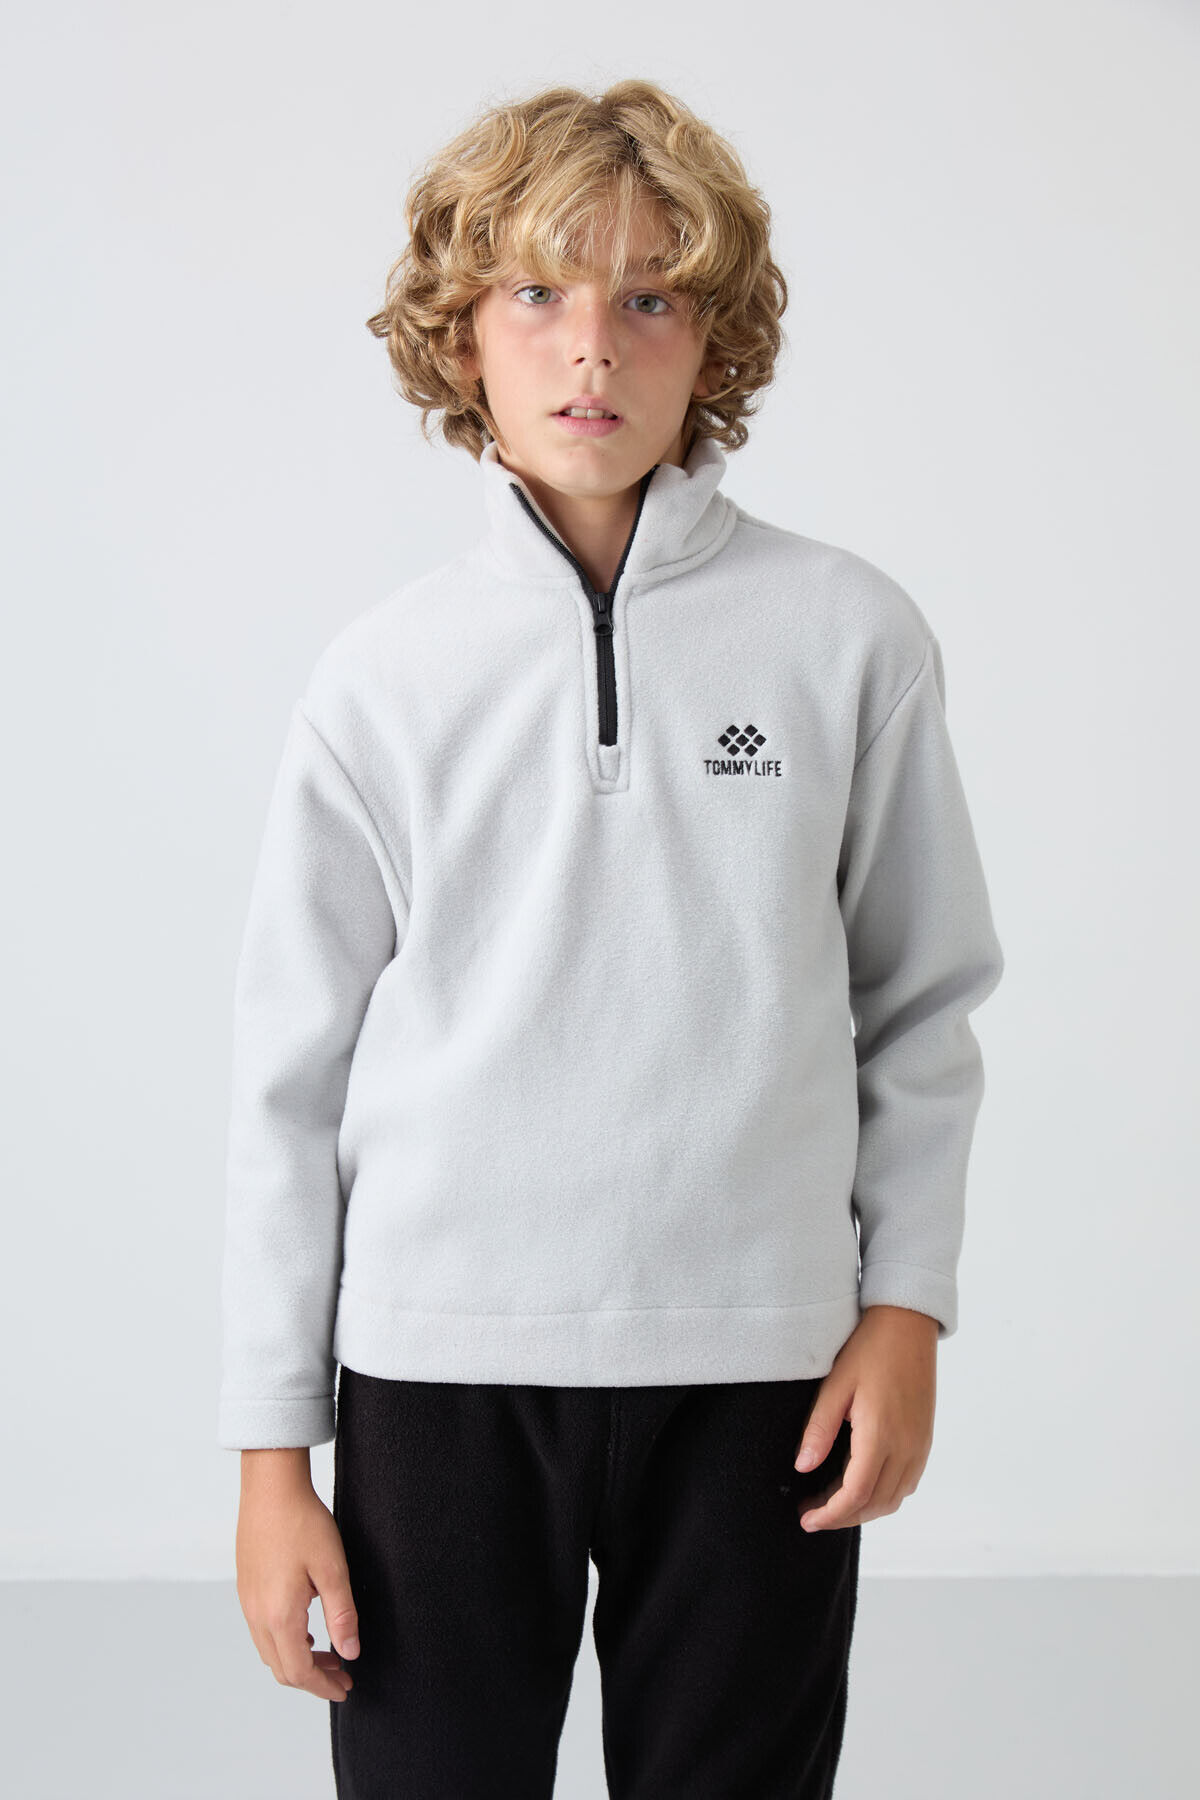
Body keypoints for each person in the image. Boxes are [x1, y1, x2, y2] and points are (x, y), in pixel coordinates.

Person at [218, 79, 1005, 1799]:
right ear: (461, 333)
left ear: (713, 336)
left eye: (651, 296)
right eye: (538, 293)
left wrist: (905, 1310)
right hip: (437, 1376)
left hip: (764, 1370)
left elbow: (924, 1002)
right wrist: (275, 1454)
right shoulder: (381, 680)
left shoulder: (848, 638)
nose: (593, 346)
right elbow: (290, 1082)